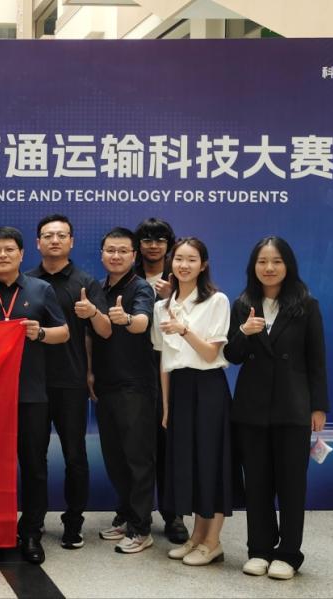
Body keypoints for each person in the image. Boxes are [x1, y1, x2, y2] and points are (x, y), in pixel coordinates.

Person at [0, 226, 69, 565]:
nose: (2, 255)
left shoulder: (40, 289)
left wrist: (40, 332)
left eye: (9, 249)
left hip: (31, 393)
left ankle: (31, 531)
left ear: (21, 254)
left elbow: (64, 332)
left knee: (34, 465)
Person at [225, 236, 329, 580]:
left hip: (293, 406)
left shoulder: (306, 304)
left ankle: (288, 554)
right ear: (253, 266)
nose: (269, 268)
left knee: (291, 484)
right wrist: (244, 331)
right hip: (251, 408)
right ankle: (259, 549)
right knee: (256, 484)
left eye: (276, 261)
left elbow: (316, 360)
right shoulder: (243, 304)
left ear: (288, 265)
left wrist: (318, 407)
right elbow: (232, 355)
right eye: (262, 261)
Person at [26, 214, 110, 550]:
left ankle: (73, 522)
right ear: (38, 243)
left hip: (71, 382)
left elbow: (104, 331)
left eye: (61, 235)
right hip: (31, 383)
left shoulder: (85, 282)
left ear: (72, 241)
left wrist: (93, 313)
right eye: (48, 235)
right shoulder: (26, 281)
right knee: (34, 457)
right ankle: (33, 521)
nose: (55, 240)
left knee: (75, 456)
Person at [151, 237, 232, 567]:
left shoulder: (216, 301)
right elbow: (164, 360)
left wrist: (184, 329)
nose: (184, 265)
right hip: (179, 388)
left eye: (191, 259)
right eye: (179, 259)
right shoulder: (162, 307)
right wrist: (166, 405)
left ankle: (213, 541)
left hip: (209, 387)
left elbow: (211, 353)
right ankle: (197, 537)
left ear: (203, 265)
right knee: (190, 463)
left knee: (212, 462)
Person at [90, 227, 157, 554]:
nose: (115, 256)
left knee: (137, 458)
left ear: (133, 255)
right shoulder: (98, 287)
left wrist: (126, 318)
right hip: (105, 384)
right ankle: (126, 514)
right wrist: (90, 372)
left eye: (122, 251)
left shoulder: (140, 287)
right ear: (102, 254)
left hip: (135, 386)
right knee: (115, 457)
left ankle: (142, 527)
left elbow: (142, 322)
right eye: (110, 250)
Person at [134, 217, 189, 544]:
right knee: (135, 446)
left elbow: (203, 321)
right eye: (147, 239)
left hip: (172, 372)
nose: (153, 245)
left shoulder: (182, 277)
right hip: (134, 372)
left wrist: (174, 298)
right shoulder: (127, 276)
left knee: (170, 445)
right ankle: (132, 512)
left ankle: (174, 514)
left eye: (160, 240)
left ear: (169, 244)